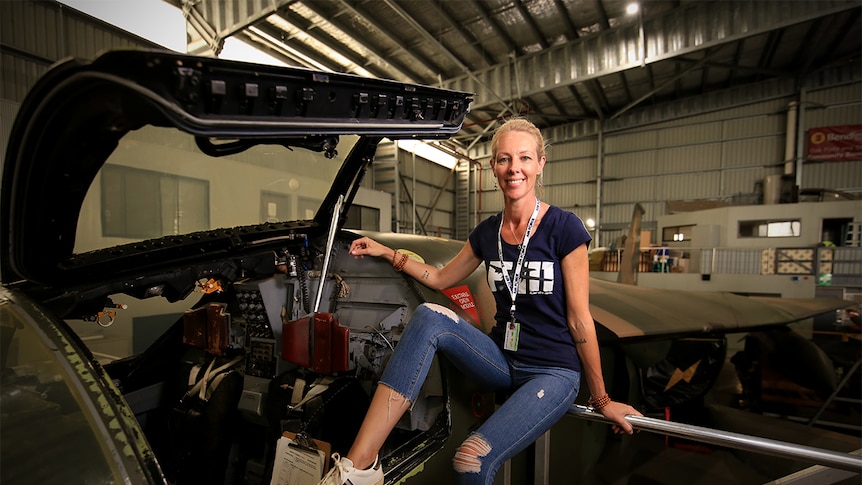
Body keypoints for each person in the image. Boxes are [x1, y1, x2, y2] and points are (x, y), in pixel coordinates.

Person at [320, 117, 641, 485]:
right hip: (503, 359)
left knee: (470, 460)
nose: (514, 168)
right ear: (493, 167)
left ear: (540, 164)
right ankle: (359, 469)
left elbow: (580, 320)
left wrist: (602, 399)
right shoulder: (488, 233)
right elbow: (440, 278)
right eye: (504, 159)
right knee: (429, 316)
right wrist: (387, 252)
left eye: (524, 158)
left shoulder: (564, 228)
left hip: (552, 371)